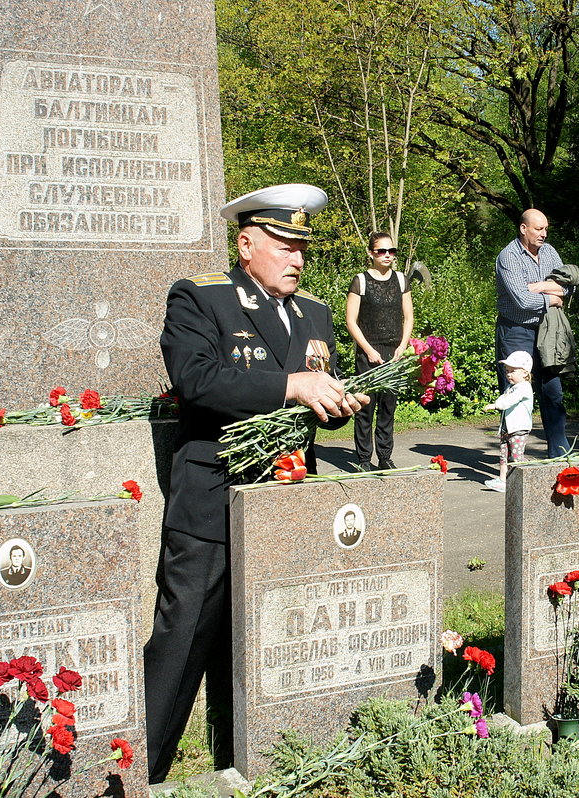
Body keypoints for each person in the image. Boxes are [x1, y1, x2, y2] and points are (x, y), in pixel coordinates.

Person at [144, 184, 368, 783]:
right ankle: (140, 770)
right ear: (246, 244)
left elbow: (318, 389)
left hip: (286, 503)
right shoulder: (201, 298)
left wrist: (339, 401)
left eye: (303, 247)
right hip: (214, 502)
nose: (298, 258)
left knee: (276, 642)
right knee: (183, 639)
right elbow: (197, 381)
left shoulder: (316, 313)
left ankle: (261, 763)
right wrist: (293, 386)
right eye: (285, 245)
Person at [495, 209, 569, 457]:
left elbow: (566, 287)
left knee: (553, 391)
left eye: (546, 229)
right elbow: (521, 301)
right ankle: (512, 463)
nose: (544, 234)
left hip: (548, 329)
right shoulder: (508, 256)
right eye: (539, 229)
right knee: (516, 394)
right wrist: (551, 298)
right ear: (523, 228)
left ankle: (559, 454)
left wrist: (537, 287)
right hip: (516, 331)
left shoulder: (550, 252)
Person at [346, 231, 413, 470]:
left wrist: (403, 347)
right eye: (381, 251)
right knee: (365, 408)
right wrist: (368, 350)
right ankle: (364, 459)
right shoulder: (361, 281)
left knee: (388, 407)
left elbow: (408, 317)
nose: (387, 255)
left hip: (393, 352)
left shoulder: (401, 280)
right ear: (371, 253)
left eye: (391, 251)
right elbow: (351, 321)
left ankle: (385, 457)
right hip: (368, 353)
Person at [482, 351, 534, 492]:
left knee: (517, 457)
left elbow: (509, 401)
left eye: (513, 371)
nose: (508, 374)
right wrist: (497, 402)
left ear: (524, 373)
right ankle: (502, 480)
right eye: (507, 371)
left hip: (519, 428)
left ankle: (528, 478)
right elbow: (503, 398)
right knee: (503, 456)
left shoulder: (524, 388)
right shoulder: (511, 388)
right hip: (507, 428)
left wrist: (495, 406)